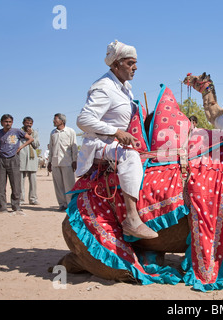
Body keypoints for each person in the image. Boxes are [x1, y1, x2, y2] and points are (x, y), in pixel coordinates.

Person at [76, 40, 157, 239]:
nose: (135, 67)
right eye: (130, 63)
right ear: (115, 65)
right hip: (100, 143)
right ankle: (131, 217)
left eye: (135, 62)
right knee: (130, 156)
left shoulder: (125, 88)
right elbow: (83, 120)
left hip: (115, 141)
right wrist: (116, 132)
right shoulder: (103, 87)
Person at [0, 114, 34, 214]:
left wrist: (20, 147)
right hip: (2, 160)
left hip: (14, 159)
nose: (8, 124)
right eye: (6, 122)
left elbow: (30, 139)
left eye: (9, 122)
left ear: (12, 123)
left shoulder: (17, 131)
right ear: (1, 123)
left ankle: (16, 207)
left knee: (16, 184)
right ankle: (2, 207)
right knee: (0, 184)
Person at [48, 113, 78, 211]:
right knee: (58, 185)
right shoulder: (53, 133)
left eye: (55, 119)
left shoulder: (70, 131)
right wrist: (49, 162)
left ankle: (71, 205)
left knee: (69, 185)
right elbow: (51, 148)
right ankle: (62, 204)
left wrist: (74, 160)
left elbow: (74, 147)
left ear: (62, 121)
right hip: (55, 163)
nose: (53, 121)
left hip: (67, 162)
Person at [19, 117, 40, 205]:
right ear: (23, 123)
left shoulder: (35, 132)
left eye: (30, 123)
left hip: (32, 159)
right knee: (20, 181)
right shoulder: (18, 132)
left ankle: (33, 199)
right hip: (21, 158)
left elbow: (36, 145)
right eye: (27, 123)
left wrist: (30, 136)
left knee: (33, 181)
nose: (28, 125)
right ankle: (20, 199)